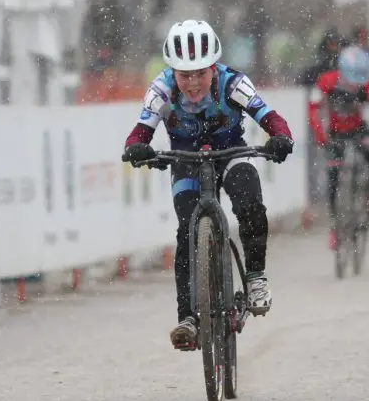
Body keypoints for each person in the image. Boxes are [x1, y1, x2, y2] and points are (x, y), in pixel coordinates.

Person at [121, 20, 294, 351]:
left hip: (230, 152)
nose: (193, 83)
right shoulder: (162, 90)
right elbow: (140, 131)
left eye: (200, 73)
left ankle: (256, 278)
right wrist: (137, 148)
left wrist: (280, 137)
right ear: (173, 72)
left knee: (250, 206)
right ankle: (187, 317)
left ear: (213, 67)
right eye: (184, 75)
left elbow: (268, 116)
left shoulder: (233, 83)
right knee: (187, 230)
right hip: (186, 159)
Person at [307, 45, 369, 250]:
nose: (356, 85)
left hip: (359, 129)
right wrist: (319, 133)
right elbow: (313, 108)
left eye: (360, 80)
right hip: (335, 132)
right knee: (333, 176)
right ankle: (335, 226)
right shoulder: (327, 81)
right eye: (351, 80)